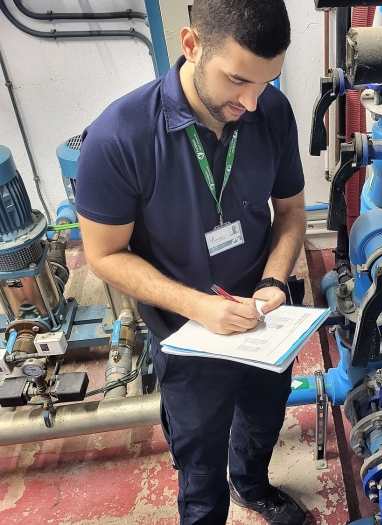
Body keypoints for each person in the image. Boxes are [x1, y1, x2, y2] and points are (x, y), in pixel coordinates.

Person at [74, 0, 307, 523]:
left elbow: (292, 211)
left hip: (266, 319)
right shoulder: (119, 138)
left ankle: (251, 484)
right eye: (237, 80)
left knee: (263, 421)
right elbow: (104, 255)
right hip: (187, 335)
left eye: (266, 82)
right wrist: (199, 307)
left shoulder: (271, 111)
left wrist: (274, 279)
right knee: (199, 456)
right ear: (191, 44)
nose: (251, 102)